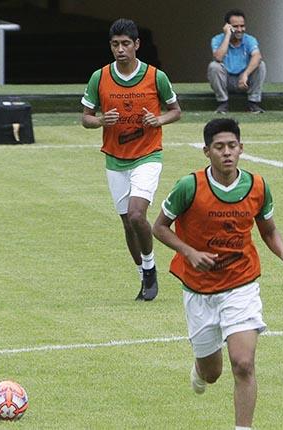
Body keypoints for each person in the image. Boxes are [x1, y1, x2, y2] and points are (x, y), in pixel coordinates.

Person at [153, 118, 283, 429]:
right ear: (207, 151)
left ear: (241, 148)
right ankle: (200, 367)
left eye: (232, 146)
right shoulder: (189, 186)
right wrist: (190, 253)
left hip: (241, 285)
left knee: (244, 364)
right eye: (219, 147)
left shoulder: (257, 186)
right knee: (212, 373)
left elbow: (269, 230)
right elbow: (159, 228)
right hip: (199, 290)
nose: (227, 153)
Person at [81, 18, 181, 301]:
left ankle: (150, 269)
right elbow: (85, 117)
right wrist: (100, 120)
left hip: (148, 155)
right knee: (127, 222)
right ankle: (142, 273)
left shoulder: (155, 77)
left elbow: (176, 110)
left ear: (137, 45)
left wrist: (158, 119)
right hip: (115, 159)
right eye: (115, 44)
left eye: (126, 44)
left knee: (138, 214)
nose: (120, 49)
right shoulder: (99, 78)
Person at [207, 9, 267, 114]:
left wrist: (245, 74)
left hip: (244, 81)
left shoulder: (249, 39)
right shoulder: (217, 39)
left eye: (242, 26)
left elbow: (257, 56)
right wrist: (227, 36)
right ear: (228, 26)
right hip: (226, 81)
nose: (240, 29)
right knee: (214, 66)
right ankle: (223, 103)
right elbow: (218, 58)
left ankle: (253, 103)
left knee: (260, 65)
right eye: (235, 26)